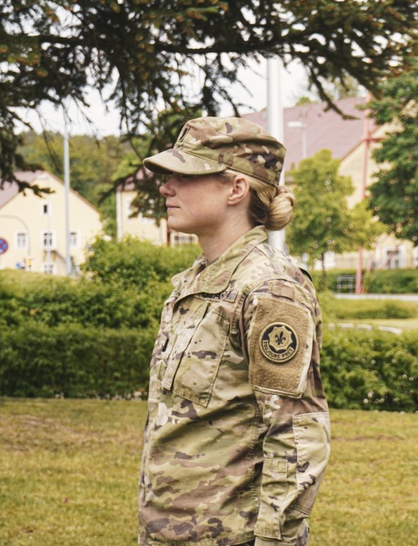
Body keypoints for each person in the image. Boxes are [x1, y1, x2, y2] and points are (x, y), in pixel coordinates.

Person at [137, 117, 330, 546]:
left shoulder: (269, 287)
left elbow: (296, 433)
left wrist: (275, 540)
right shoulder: (195, 283)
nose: (166, 188)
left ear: (235, 189)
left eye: (183, 176)